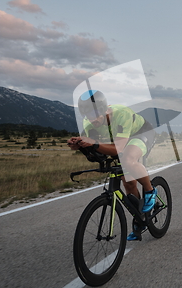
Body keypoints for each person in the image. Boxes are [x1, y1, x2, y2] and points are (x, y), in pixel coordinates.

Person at [67, 90, 156, 241]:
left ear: (104, 109)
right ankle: (140, 219)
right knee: (128, 183)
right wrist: (81, 146)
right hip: (118, 141)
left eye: (95, 114)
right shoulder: (88, 124)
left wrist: (93, 143)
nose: (92, 119)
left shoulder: (121, 114)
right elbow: (97, 152)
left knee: (128, 159)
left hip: (141, 133)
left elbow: (118, 149)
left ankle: (150, 191)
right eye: (88, 115)